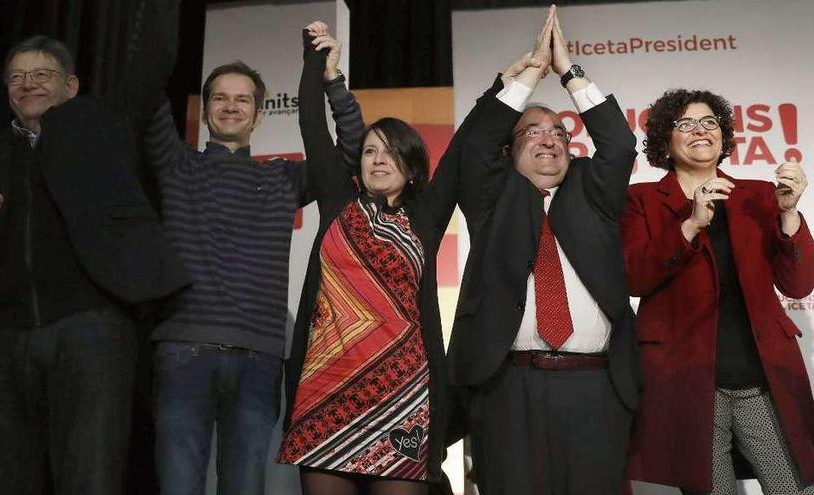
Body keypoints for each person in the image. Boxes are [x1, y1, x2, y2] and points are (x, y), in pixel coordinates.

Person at [0, 35, 189, 494]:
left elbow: (151, 63)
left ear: (71, 86)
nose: (27, 84)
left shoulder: (101, 127)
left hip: (89, 330)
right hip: (0, 341)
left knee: (90, 480)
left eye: (41, 74)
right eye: (16, 77)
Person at [142, 30, 363, 495]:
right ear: (204, 111)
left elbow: (349, 157)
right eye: (219, 98)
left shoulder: (282, 178)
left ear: (258, 114)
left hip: (260, 358)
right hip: (184, 352)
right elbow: (145, 85)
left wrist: (331, 79)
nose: (230, 106)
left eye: (242, 100)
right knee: (178, 487)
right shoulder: (176, 163)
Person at [277, 20, 486, 494]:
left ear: (411, 168)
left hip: (402, 395)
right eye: (370, 151)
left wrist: (511, 83)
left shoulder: (426, 216)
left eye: (390, 153)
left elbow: (467, 142)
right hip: (326, 390)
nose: (376, 160)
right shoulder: (338, 200)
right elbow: (311, 121)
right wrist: (318, 60)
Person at [446, 7, 641, 494]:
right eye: (532, 132)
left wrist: (569, 73)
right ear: (510, 153)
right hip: (508, 386)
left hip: (596, 386)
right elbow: (474, 146)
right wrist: (531, 74)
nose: (549, 140)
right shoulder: (491, 196)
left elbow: (617, 145)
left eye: (558, 132)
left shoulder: (592, 192)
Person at [622, 89, 814, 494]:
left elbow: (798, 284)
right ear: (665, 141)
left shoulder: (760, 194)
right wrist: (690, 225)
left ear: (723, 135)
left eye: (709, 122)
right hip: (688, 380)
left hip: (760, 375)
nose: (700, 131)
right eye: (685, 124)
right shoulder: (642, 199)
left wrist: (790, 213)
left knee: (795, 487)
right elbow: (635, 278)